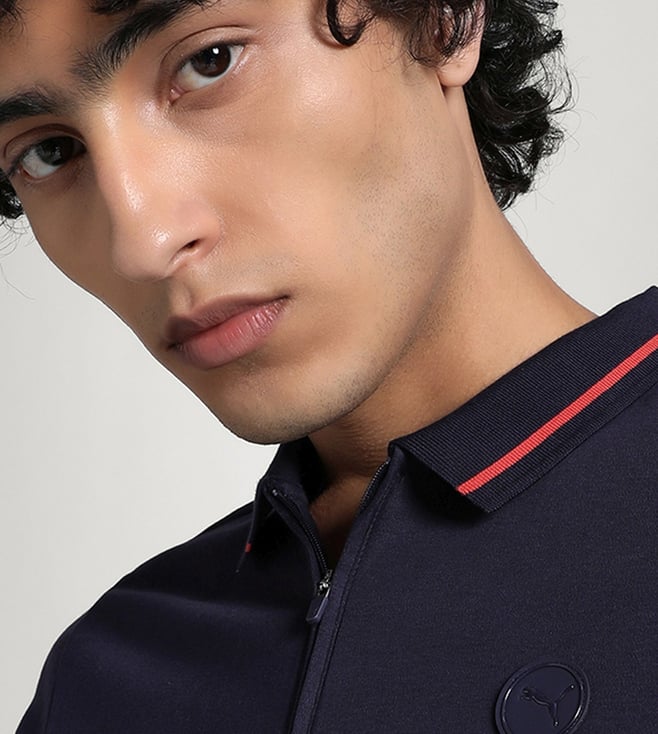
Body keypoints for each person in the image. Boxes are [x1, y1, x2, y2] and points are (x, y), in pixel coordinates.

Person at [2, 0, 655, 732]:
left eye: (210, 62)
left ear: (445, 20)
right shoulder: (102, 687)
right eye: (48, 151)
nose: (141, 243)